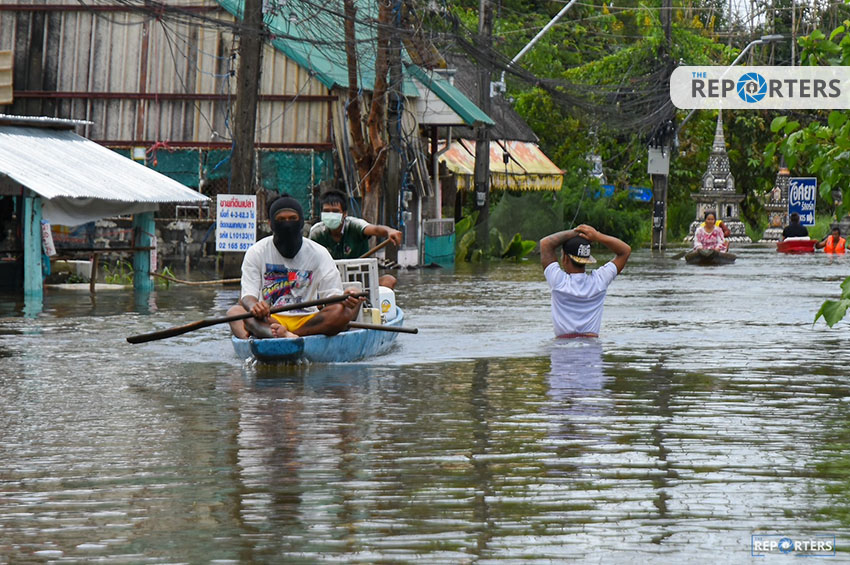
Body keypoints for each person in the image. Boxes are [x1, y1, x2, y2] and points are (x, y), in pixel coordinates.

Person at [228, 194, 363, 340]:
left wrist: (345, 298)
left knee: (341, 312)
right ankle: (274, 334)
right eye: (281, 220)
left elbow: (331, 296)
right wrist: (255, 307)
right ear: (270, 223)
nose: (287, 224)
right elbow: (248, 296)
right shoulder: (256, 251)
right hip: (271, 318)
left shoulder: (319, 253)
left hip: (307, 319)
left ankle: (287, 336)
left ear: (302, 222)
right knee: (237, 312)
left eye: (293, 218)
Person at [539, 224, 631, 338]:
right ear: (587, 259)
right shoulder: (599, 281)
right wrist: (597, 236)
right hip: (592, 345)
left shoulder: (558, 282)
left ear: (565, 258)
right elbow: (625, 251)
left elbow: (545, 243)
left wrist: (576, 232)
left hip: (562, 346)